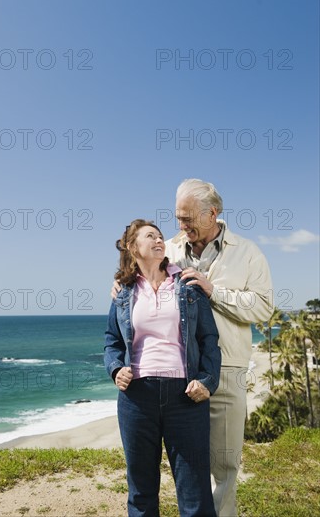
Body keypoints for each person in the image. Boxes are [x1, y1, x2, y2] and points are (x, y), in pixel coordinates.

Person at [165, 179, 273, 517]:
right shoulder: (167, 249)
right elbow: (137, 282)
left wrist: (215, 292)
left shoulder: (249, 252)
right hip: (177, 371)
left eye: (188, 219)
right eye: (178, 218)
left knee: (225, 466)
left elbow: (263, 307)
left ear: (212, 213)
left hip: (228, 371)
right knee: (185, 463)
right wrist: (117, 283)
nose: (181, 227)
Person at [104, 219, 221, 517]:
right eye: (150, 236)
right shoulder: (124, 292)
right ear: (133, 248)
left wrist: (207, 380)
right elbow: (112, 340)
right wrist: (116, 369)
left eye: (159, 236)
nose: (158, 240)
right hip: (136, 397)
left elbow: (208, 338)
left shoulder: (186, 284)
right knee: (141, 490)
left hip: (185, 395)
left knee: (194, 489)